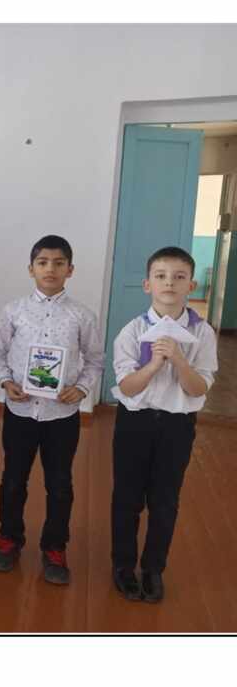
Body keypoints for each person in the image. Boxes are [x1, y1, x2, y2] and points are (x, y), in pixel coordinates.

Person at [0, 235, 104, 585]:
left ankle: (55, 547)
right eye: (42, 262)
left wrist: (81, 388)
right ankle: (9, 538)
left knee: (60, 483)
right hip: (20, 411)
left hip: (61, 416)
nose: (50, 269)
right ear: (31, 269)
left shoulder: (82, 315)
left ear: (70, 269)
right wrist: (6, 381)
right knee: (13, 479)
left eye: (58, 263)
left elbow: (95, 359)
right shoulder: (14, 311)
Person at [110, 245, 218, 603]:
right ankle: (123, 566)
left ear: (192, 285)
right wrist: (155, 365)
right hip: (134, 423)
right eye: (160, 276)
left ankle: (153, 568)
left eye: (179, 276)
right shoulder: (131, 331)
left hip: (177, 425)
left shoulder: (203, 334)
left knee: (165, 500)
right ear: (147, 285)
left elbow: (199, 387)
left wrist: (180, 361)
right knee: (127, 498)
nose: (169, 282)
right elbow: (128, 387)